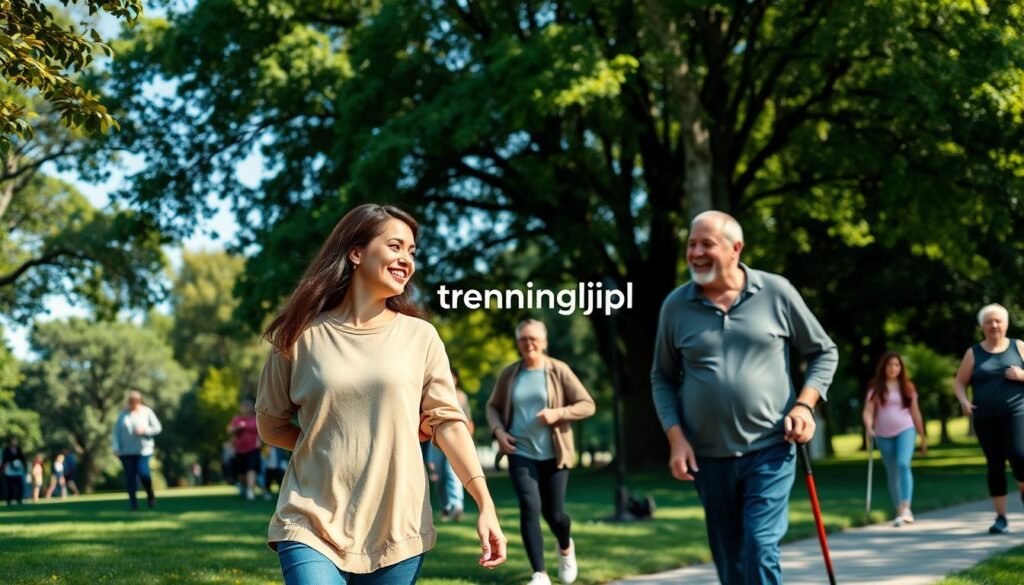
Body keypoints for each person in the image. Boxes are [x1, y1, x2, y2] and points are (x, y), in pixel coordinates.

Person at [255, 203, 506, 584]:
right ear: (356, 253)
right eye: (395, 246)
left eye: (412, 251)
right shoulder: (299, 336)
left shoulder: (420, 337)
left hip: (397, 528)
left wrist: (484, 503)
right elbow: (271, 426)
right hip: (310, 520)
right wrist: (331, 446)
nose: (406, 259)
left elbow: (449, 424)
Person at [651, 210, 838, 585]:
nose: (696, 252)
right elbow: (662, 377)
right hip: (707, 457)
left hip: (770, 447)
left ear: (736, 248)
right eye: (691, 244)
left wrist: (805, 405)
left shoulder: (775, 291)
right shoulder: (676, 305)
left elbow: (823, 351)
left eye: (707, 244)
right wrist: (676, 439)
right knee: (730, 561)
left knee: (759, 544)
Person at [487, 318, 596, 585]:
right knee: (529, 507)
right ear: (517, 343)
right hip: (520, 451)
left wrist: (557, 413)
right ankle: (540, 574)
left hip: (555, 454)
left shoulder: (559, 370)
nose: (529, 343)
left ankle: (565, 546)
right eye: (523, 339)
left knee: (555, 513)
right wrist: (499, 432)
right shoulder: (510, 374)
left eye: (533, 338)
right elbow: (493, 407)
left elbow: (587, 404)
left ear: (544, 341)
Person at [954, 303, 1024, 534]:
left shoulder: (1019, 346)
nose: (994, 325)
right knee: (994, 465)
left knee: (1020, 456)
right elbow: (959, 383)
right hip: (985, 418)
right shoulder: (973, 352)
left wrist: (1021, 374)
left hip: (1017, 413)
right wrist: (964, 401)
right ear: (982, 326)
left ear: (1005, 323)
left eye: (998, 321)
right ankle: (1001, 518)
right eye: (989, 321)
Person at [862, 352, 927, 526]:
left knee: (903, 464)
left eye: (897, 365)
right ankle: (899, 510)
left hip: (905, 429)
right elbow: (867, 411)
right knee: (892, 471)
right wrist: (869, 427)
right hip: (883, 434)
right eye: (890, 365)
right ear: (884, 367)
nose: (893, 368)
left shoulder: (907, 387)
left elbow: (915, 412)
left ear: (901, 368)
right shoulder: (875, 387)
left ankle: (906, 507)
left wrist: (922, 435)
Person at [430, 367, 475, 522]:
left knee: (452, 472)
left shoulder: (461, 397)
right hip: (434, 440)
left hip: (455, 439)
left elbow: (468, 421)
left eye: (453, 376)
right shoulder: (432, 393)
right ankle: (446, 506)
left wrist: (467, 441)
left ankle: (456, 506)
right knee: (439, 476)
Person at [112, 390, 162, 510]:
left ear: (139, 401)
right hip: (126, 452)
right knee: (130, 478)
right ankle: (133, 503)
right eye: (130, 401)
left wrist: (145, 431)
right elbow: (116, 433)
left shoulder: (146, 411)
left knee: (144, 474)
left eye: (134, 401)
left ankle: (150, 494)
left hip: (143, 451)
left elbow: (157, 428)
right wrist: (116, 448)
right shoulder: (123, 414)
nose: (132, 403)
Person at [228, 398, 263, 500]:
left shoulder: (256, 418)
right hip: (239, 450)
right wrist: (238, 427)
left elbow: (262, 433)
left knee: (251, 469)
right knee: (242, 474)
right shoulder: (237, 419)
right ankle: (245, 486)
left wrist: (261, 442)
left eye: (248, 405)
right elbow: (230, 431)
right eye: (244, 405)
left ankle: (250, 491)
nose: (246, 408)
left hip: (253, 449)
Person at [2, 437, 27, 505]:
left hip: (18, 471)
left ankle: (19, 500)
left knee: (20, 486)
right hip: (9, 471)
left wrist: (24, 467)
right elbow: (4, 460)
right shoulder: (6, 450)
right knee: (10, 487)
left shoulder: (19, 449)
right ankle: (8, 500)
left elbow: (23, 459)